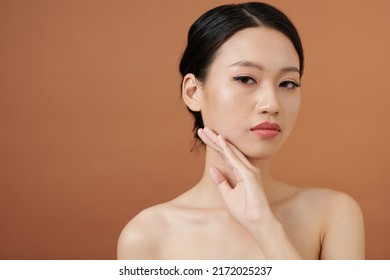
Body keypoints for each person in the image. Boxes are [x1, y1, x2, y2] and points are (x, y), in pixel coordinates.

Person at [117, 2, 365, 259]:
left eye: (287, 83)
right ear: (193, 92)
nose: (271, 104)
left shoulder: (331, 214)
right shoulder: (148, 235)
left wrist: (264, 225)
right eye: (245, 79)